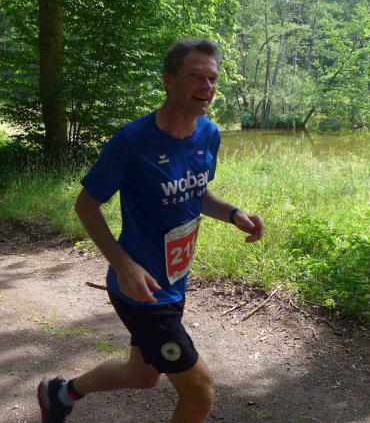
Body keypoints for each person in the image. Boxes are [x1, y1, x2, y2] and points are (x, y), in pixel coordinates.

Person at [37, 38, 265, 423]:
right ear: (168, 80)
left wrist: (233, 213)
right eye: (196, 76)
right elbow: (86, 206)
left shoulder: (209, 134)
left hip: (175, 280)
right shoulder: (132, 142)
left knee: (142, 375)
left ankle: (60, 393)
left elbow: (197, 193)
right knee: (200, 391)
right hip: (141, 291)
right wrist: (123, 265)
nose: (207, 87)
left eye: (212, 79)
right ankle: (61, 393)